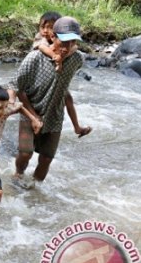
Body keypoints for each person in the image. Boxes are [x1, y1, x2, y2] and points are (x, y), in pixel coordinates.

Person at [6, 16, 92, 187]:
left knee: (46, 158)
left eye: (72, 42)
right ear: (53, 37)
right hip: (31, 111)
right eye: (64, 41)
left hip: (55, 115)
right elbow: (15, 85)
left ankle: (34, 189)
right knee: (25, 153)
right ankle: (18, 175)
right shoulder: (35, 58)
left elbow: (66, 91)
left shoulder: (77, 59)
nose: (67, 47)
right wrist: (28, 114)